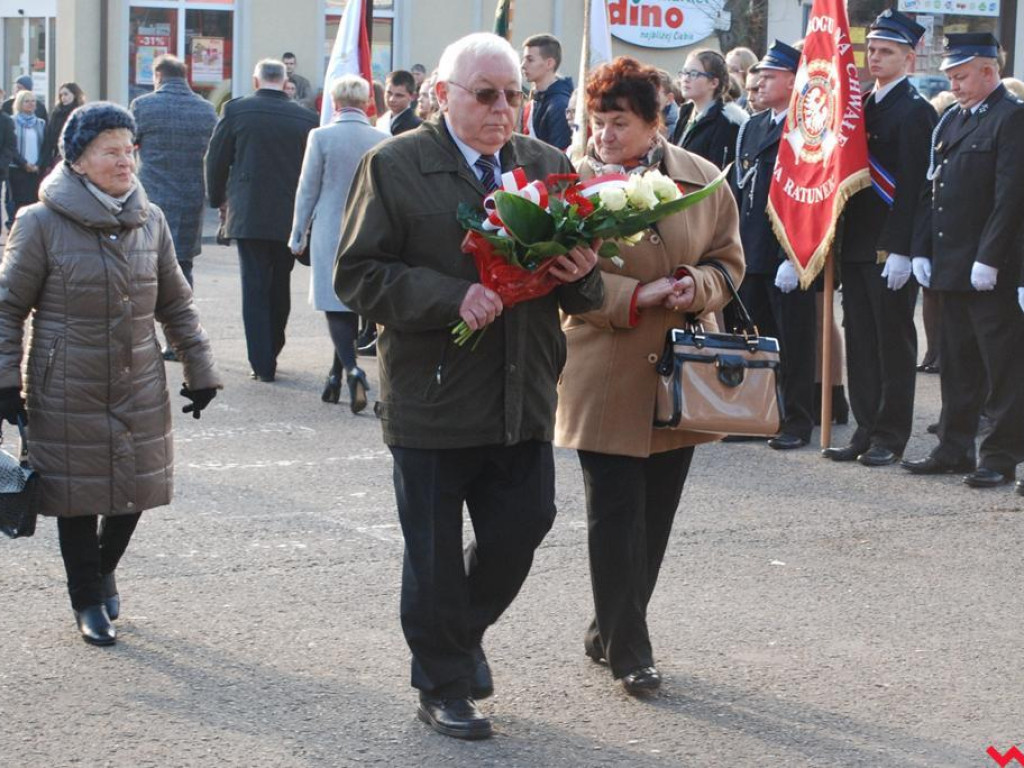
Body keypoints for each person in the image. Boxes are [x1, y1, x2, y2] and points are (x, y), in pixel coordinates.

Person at [335, 31, 603, 740]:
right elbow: (357, 275)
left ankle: (455, 634)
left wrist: (584, 273)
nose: (503, 109)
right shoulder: (394, 166)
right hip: (434, 395)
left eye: (516, 94)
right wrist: (448, 297)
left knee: (524, 526)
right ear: (442, 96)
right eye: (486, 94)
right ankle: (444, 684)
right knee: (431, 551)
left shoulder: (545, 164)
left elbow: (586, 291)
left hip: (523, 392)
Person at [555, 56, 744, 695]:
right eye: (597, 121)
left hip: (682, 368)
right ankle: (631, 650)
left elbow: (728, 262)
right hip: (604, 364)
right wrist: (629, 297)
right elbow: (560, 275)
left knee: (655, 513)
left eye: (619, 122)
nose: (604, 134)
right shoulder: (568, 181)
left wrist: (697, 284)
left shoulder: (702, 176)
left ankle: (608, 628)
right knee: (613, 511)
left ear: (653, 121)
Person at [0, 102, 221, 646]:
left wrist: (200, 367)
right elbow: (7, 307)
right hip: (64, 381)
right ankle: (87, 600)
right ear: (77, 160)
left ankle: (101, 570)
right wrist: (5, 378)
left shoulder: (152, 219)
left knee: (137, 487)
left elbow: (177, 304)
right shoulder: (40, 222)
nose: (125, 161)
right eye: (110, 150)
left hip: (139, 375)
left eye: (129, 149)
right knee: (77, 495)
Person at [901, 33, 1024, 490]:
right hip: (951, 264)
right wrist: (921, 249)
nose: (953, 83)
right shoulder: (952, 119)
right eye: (951, 76)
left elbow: (1010, 197)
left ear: (989, 71)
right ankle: (953, 448)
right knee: (956, 364)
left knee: (1002, 368)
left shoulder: (1011, 119)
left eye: (961, 75)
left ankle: (999, 455)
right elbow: (931, 189)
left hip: (993, 268)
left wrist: (989, 257)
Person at [823, 10, 936, 467]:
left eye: (887, 51)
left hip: (891, 249)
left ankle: (891, 434)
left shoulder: (916, 111)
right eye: (871, 49)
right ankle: (865, 429)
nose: (875, 57)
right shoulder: (861, 106)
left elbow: (916, 188)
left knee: (893, 343)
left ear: (909, 59)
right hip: (855, 245)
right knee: (861, 343)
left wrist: (906, 249)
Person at [205, 58, 318, 383]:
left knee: (253, 288)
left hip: (250, 213)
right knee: (279, 284)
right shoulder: (305, 118)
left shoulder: (237, 111)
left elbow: (216, 159)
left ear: (256, 81)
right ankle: (274, 346)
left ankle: (261, 361)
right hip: (289, 215)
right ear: (285, 83)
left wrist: (217, 200)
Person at [731, 41, 816, 450]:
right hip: (751, 248)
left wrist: (791, 254)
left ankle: (797, 419)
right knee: (753, 340)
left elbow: (807, 195)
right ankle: (755, 415)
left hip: (786, 253)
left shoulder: (806, 127)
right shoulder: (753, 125)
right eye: (758, 75)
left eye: (769, 76)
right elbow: (739, 190)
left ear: (792, 80)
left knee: (793, 342)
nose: (758, 82)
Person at [289, 75, 387, 412]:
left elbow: (307, 188)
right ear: (365, 103)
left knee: (334, 303)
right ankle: (334, 375)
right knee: (354, 299)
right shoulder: (381, 137)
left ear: (334, 101)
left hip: (331, 224)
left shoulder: (321, 136)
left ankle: (351, 369)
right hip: (368, 224)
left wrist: (298, 232)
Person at [131, 55, 217, 300]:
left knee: (147, 261)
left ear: (158, 76)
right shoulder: (206, 109)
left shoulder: (143, 106)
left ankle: (145, 322)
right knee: (183, 264)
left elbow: (127, 145)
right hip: (191, 196)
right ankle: (182, 322)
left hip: (152, 194)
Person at [671, 49, 747, 168]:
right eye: (684, 72)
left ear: (713, 83)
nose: (685, 79)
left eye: (694, 74)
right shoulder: (685, 113)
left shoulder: (726, 122)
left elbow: (718, 174)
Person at [521, 33, 574, 150]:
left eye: (530, 60)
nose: (523, 65)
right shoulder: (532, 102)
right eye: (524, 60)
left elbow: (559, 157)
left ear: (549, 63)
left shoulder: (560, 106)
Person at [7, 90, 46, 228]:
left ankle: (32, 231)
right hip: (17, 168)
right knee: (18, 202)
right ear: (19, 103)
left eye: (33, 101)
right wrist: (24, 164)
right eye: (27, 101)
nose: (31, 104)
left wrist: (38, 164)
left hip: (36, 169)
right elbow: (10, 147)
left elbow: (45, 147)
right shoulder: (11, 122)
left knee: (34, 202)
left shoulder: (41, 123)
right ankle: (18, 230)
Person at [40, 82, 85, 173]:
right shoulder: (57, 113)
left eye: (66, 94)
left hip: (76, 157)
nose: (63, 98)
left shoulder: (81, 112)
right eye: (61, 95)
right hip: (57, 155)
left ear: (75, 95)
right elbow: (49, 137)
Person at [380, 70, 421, 135]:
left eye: (399, 95)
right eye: (389, 93)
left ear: (412, 96)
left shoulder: (417, 126)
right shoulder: (381, 120)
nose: (392, 99)